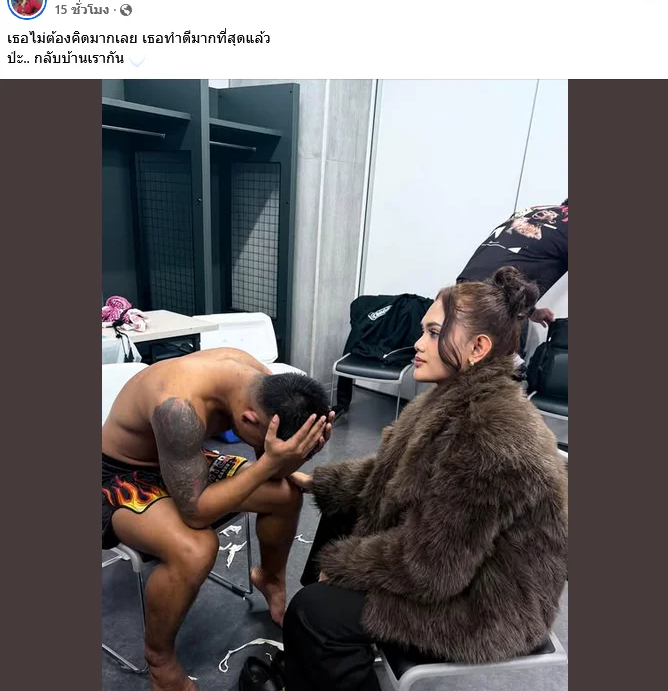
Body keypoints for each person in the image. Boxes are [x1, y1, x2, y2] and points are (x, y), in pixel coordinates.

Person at [281, 267, 568, 691]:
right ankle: (312, 664)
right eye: (423, 331)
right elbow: (393, 474)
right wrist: (317, 481)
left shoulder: (490, 435)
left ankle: (323, 647)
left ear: (478, 348)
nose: (417, 343)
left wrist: (342, 567)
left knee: (314, 613)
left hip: (489, 606)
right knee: (339, 516)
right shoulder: (451, 396)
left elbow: (432, 569)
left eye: (433, 333)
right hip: (462, 567)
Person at [102, 347, 333, 691]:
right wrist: (271, 464)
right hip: (120, 473)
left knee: (285, 495)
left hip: (183, 459)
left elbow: (271, 467)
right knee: (195, 548)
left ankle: (269, 578)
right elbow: (196, 513)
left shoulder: (259, 382)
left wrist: (291, 458)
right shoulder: (178, 407)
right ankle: (159, 659)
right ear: (251, 421)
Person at [458, 199, 568, 359]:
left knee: (459, 358)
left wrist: (530, 311)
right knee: (493, 367)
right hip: (496, 302)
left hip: (464, 288)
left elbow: (520, 256)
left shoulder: (533, 209)